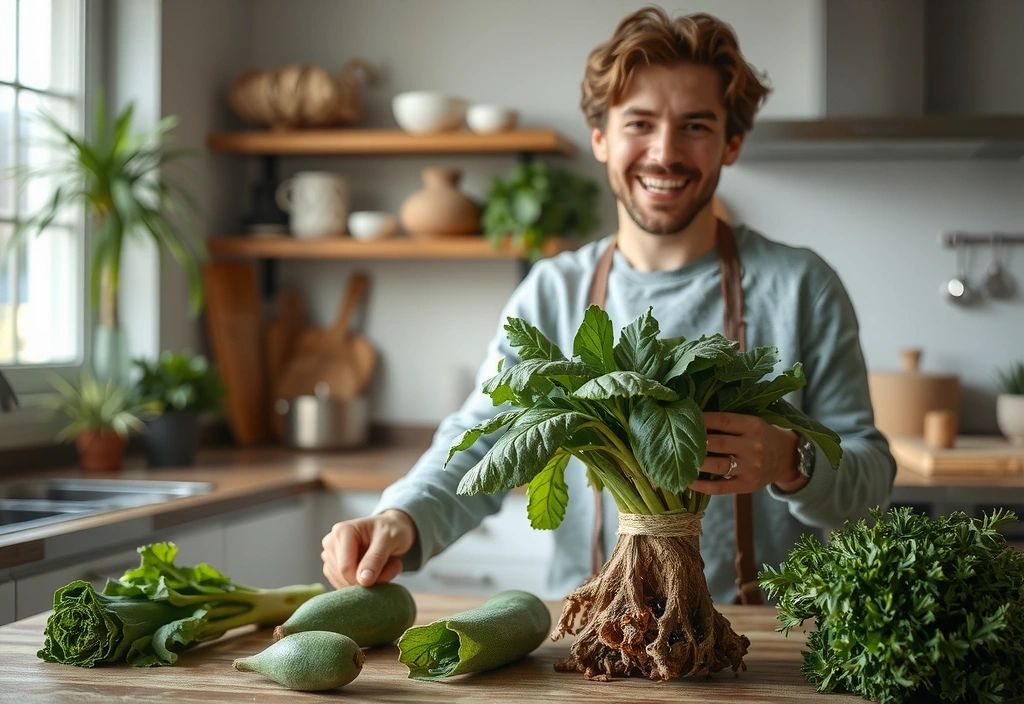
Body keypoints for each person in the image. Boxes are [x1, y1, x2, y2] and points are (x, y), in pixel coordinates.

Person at [320, 6, 896, 604]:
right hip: (594, 639)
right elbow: (486, 438)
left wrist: (789, 458)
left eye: (696, 126)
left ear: (732, 143)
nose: (665, 152)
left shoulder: (803, 286)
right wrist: (401, 518)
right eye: (639, 123)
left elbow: (871, 476)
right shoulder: (553, 291)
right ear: (600, 138)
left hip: (764, 642)